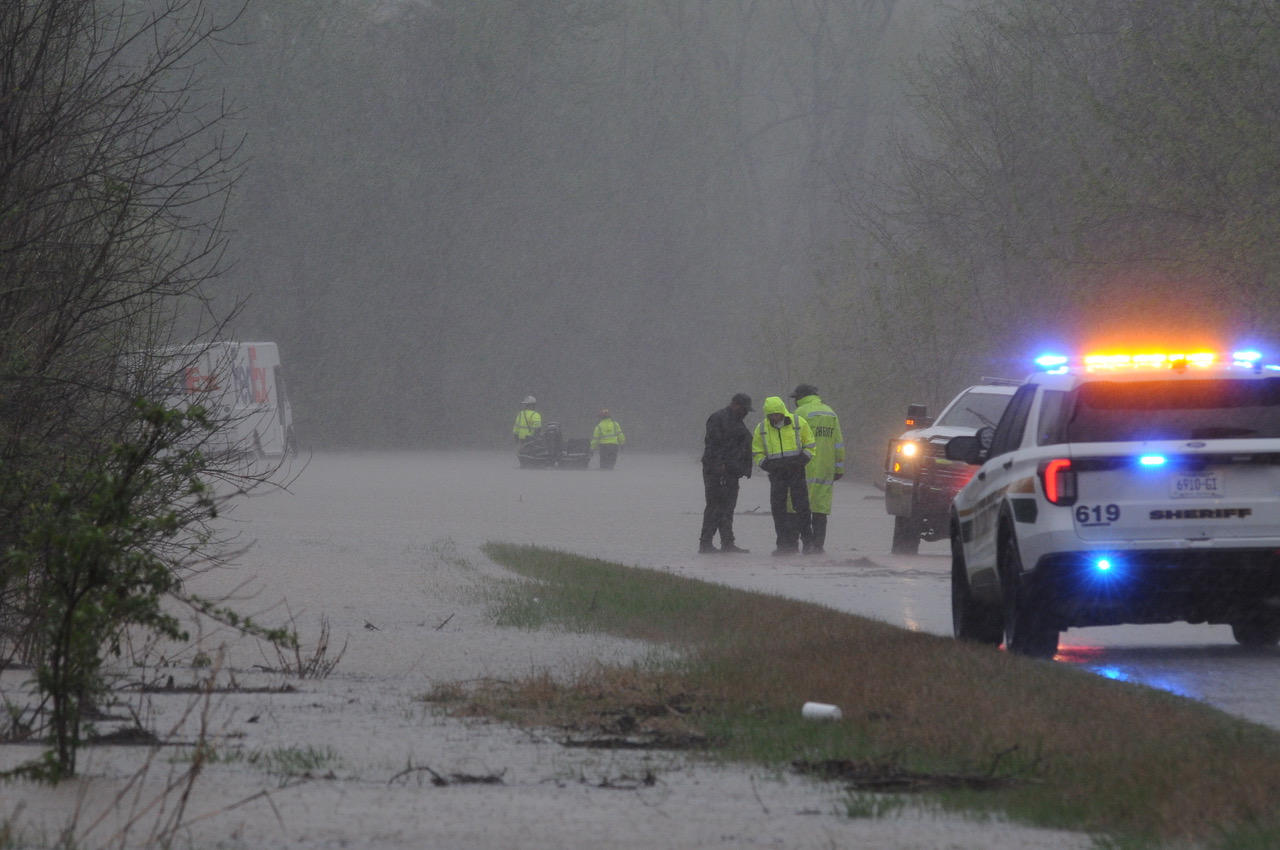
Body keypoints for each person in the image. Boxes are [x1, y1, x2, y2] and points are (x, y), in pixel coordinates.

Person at [752, 396, 816, 556]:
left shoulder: (798, 422)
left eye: (777, 414)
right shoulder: (762, 428)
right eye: (771, 415)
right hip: (776, 473)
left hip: (796, 470)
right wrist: (768, 465)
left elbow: (810, 445)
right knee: (778, 508)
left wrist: (801, 461)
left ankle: (808, 542)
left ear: (782, 411)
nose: (775, 417)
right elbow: (757, 452)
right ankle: (783, 544)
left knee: (802, 507)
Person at [790, 384, 844, 554]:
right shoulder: (830, 412)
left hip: (803, 466)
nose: (795, 401)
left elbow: (793, 442)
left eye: (795, 397)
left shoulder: (799, 413)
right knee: (820, 508)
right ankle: (818, 546)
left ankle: (794, 545)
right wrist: (839, 468)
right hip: (825, 470)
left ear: (801, 397)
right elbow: (838, 443)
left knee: (796, 506)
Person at [699, 393, 754, 554]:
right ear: (735, 405)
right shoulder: (718, 418)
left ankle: (727, 542)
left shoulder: (737, 421)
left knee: (728, 507)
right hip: (716, 471)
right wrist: (719, 465)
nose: (746, 413)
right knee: (715, 506)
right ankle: (706, 543)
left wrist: (744, 467)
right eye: (744, 409)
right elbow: (713, 444)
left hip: (731, 471)